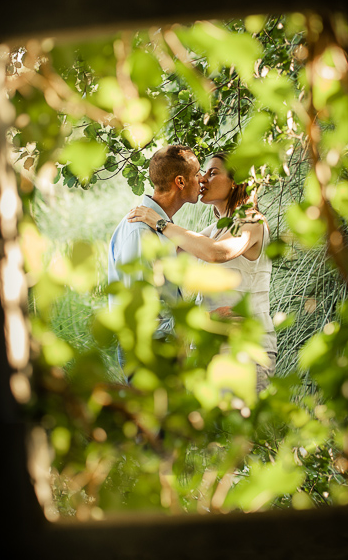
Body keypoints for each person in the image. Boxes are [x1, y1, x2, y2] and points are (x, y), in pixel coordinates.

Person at [127, 152, 277, 394]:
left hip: (245, 350)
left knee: (239, 431)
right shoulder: (217, 229)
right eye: (203, 173)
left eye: (213, 173)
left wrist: (161, 223)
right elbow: (175, 255)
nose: (203, 179)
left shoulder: (251, 221)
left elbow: (216, 252)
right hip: (213, 349)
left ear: (236, 181)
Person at [107, 145, 202, 372]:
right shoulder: (140, 232)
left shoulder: (159, 227)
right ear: (180, 182)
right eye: (197, 174)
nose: (201, 180)